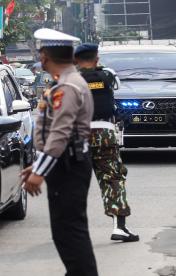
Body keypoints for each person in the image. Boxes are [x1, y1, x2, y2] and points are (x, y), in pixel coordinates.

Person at [21, 28, 98, 276]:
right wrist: (42, 164)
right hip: (65, 163)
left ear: (44, 56)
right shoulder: (66, 83)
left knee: (70, 233)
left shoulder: (68, 87)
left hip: (68, 166)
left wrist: (40, 171)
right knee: (66, 232)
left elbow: (61, 133)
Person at [74, 43, 139, 242]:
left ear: (76, 60)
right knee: (113, 179)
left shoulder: (69, 80)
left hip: (77, 136)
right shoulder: (107, 77)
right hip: (104, 133)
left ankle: (72, 230)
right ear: (97, 58)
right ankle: (119, 227)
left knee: (75, 184)